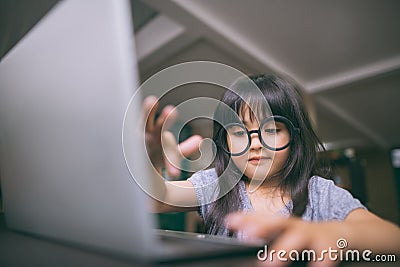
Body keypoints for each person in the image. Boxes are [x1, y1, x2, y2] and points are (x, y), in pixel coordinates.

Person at [143, 74, 400, 266]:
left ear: (294, 137)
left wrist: (338, 234)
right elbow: (157, 200)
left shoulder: (320, 194)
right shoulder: (217, 185)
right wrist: (151, 164)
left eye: (271, 130)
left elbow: (392, 239)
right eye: (239, 131)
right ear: (226, 141)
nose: (255, 143)